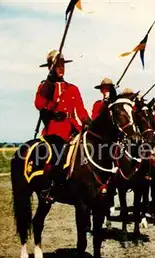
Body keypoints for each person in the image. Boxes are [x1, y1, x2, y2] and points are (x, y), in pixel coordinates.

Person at [34, 49, 91, 203]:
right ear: (50, 68)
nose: (61, 68)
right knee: (57, 154)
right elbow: (39, 104)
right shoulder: (45, 87)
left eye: (62, 65)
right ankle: (49, 188)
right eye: (57, 65)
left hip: (72, 128)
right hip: (54, 129)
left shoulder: (72, 88)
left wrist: (89, 123)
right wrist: (49, 83)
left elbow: (81, 110)